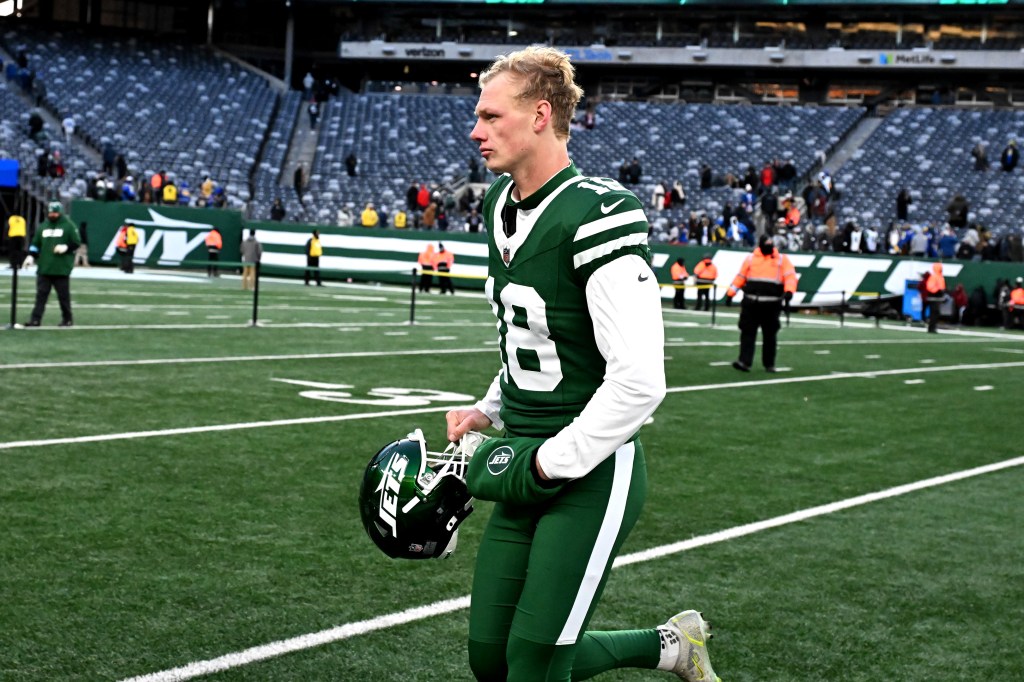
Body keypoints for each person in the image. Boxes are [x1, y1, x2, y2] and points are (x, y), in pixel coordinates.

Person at [444, 46, 719, 682]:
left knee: (534, 665)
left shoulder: (595, 211)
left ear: (540, 115)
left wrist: (551, 459)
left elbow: (641, 379)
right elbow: (536, 336)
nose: (475, 130)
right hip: (526, 454)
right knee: (492, 659)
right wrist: (490, 409)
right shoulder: (498, 205)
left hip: (592, 469)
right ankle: (671, 647)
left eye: (490, 116)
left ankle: (667, 647)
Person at [727, 233, 798, 372]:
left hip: (771, 304)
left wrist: (789, 291)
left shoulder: (782, 260)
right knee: (747, 332)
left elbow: (790, 276)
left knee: (770, 335)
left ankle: (769, 364)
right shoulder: (751, 258)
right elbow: (741, 276)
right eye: (766, 244)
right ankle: (744, 362)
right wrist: (730, 293)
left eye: (771, 244)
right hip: (751, 302)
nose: (769, 246)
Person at [24, 202, 81, 327]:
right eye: (50, 212)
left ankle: (67, 319)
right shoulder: (43, 226)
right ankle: (35, 319)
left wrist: (66, 247)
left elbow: (76, 242)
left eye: (55, 212)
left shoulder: (68, 226)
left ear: (60, 212)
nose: (52, 215)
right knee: (40, 296)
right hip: (44, 267)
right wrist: (31, 256)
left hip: (61, 268)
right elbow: (36, 243)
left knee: (63, 297)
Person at [923, 262, 946, 333]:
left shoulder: (939, 276)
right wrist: (937, 290)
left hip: (937, 298)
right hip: (934, 298)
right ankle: (931, 328)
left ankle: (933, 327)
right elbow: (930, 287)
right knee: (934, 313)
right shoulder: (934, 276)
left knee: (935, 313)